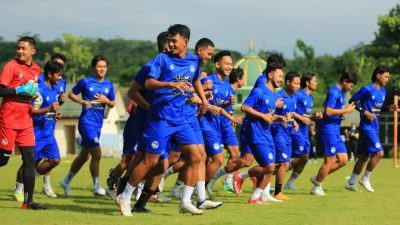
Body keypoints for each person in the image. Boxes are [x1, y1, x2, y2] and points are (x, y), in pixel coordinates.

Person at [116, 24, 209, 216]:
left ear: (186, 42)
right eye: (169, 41)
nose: (171, 44)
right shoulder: (162, 59)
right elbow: (149, 83)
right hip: (161, 118)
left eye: (174, 41)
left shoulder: (193, 60)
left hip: (182, 118)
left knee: (197, 157)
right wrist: (170, 83)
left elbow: (195, 80)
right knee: (150, 161)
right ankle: (124, 196)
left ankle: (185, 201)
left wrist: (204, 100)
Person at [14, 54, 68, 200]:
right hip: (36, 133)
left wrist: (55, 112)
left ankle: (30, 179)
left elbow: (50, 108)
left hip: (49, 133)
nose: (60, 78)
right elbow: (31, 110)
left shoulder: (55, 89)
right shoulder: (39, 89)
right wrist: (49, 109)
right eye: (58, 75)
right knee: (30, 163)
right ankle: (18, 189)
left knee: (54, 161)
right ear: (49, 74)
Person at [60, 55, 115, 196]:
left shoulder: (109, 85)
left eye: (104, 66)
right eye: (99, 66)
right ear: (93, 68)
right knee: (97, 153)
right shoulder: (85, 82)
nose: (102, 69)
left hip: (98, 125)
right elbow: (72, 94)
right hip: (86, 123)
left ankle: (66, 181)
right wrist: (82, 102)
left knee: (84, 156)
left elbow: (113, 103)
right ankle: (97, 186)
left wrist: (106, 100)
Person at [0, 36, 44, 209]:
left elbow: (32, 89)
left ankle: (28, 201)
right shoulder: (10, 66)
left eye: (23, 48)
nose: (19, 51)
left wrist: (35, 94)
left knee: (30, 159)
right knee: (3, 160)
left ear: (32, 51)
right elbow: (1, 91)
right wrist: (18, 89)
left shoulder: (37, 69)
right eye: (18, 48)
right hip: (9, 117)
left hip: (26, 118)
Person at [233, 62, 285, 204]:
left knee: (272, 167)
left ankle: (255, 197)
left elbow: (268, 115)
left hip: (267, 134)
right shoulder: (259, 91)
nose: (281, 79)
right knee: (268, 167)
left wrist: (278, 118)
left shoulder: (273, 96)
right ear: (270, 75)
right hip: (256, 133)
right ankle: (240, 176)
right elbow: (244, 107)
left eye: (282, 76)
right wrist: (263, 116)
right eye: (279, 76)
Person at [345, 65, 397, 192]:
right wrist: (364, 112)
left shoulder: (383, 91)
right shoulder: (367, 89)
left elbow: (377, 111)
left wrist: (388, 108)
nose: (387, 79)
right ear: (378, 75)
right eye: (385, 76)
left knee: (364, 156)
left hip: (375, 127)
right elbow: (352, 100)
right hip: (366, 127)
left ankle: (351, 182)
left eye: (388, 77)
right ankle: (365, 178)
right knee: (379, 153)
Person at [310, 72, 357, 196]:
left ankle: (317, 177)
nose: (351, 88)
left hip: (335, 130)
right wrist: (346, 110)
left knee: (343, 160)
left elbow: (326, 105)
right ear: (345, 81)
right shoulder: (334, 92)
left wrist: (341, 114)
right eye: (351, 85)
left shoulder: (340, 94)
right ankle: (317, 187)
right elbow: (328, 111)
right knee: (330, 160)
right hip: (328, 130)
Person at [205, 67, 245, 193]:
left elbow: (222, 107)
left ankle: (222, 181)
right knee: (228, 155)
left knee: (227, 156)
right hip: (222, 126)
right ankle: (213, 183)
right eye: (243, 77)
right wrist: (231, 119)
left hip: (225, 125)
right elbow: (219, 109)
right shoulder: (228, 89)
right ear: (239, 79)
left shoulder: (230, 89)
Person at [284, 72, 323, 190]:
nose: (316, 83)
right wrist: (302, 119)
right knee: (303, 157)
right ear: (307, 82)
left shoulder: (310, 97)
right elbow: (291, 110)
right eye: (314, 81)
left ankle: (290, 182)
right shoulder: (299, 95)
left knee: (305, 158)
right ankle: (275, 171)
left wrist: (314, 116)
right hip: (296, 130)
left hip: (305, 131)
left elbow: (305, 115)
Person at [269, 71, 300, 200]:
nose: (298, 86)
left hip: (288, 134)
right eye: (296, 83)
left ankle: (255, 175)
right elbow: (270, 114)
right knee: (285, 164)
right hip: (278, 133)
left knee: (275, 165)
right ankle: (277, 192)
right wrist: (282, 117)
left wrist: (294, 121)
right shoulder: (278, 96)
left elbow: (290, 113)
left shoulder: (295, 97)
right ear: (288, 83)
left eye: (299, 83)